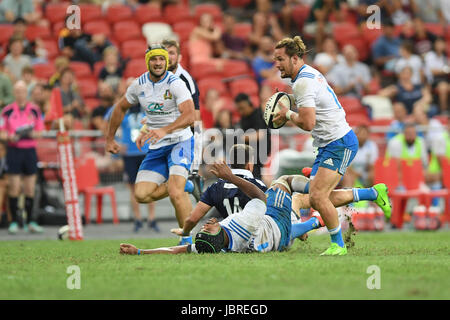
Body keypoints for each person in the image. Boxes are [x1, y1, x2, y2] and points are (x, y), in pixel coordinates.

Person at [271, 36, 391, 255]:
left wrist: (287, 113)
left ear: (295, 58)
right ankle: (374, 193)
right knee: (317, 195)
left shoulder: (303, 82)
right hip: (328, 144)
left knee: (317, 197)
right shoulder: (308, 74)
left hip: (339, 142)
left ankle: (338, 245)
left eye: (280, 59)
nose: (276, 64)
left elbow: (308, 123)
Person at [120, 161, 324, 255]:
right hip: (276, 224)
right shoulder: (241, 223)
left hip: (279, 243)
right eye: (208, 229)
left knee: (295, 215)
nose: (206, 225)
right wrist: (229, 177)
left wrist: (141, 252)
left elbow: (177, 249)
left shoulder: (221, 248)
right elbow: (261, 197)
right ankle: (316, 183)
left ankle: (315, 221)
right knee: (284, 183)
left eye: (203, 229)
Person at [105, 44, 196, 245]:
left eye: (161, 59)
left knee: (174, 192)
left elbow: (190, 116)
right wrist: (110, 138)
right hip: (157, 147)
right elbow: (120, 108)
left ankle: (187, 241)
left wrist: (165, 130)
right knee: (141, 195)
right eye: (154, 59)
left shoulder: (176, 83)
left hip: (180, 141)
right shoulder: (139, 85)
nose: (158, 63)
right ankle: (187, 185)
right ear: (148, 62)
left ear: (166, 61)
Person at [105, 104, 159, 233]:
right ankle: (138, 219)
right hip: (129, 154)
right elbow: (109, 119)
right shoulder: (123, 109)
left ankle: (151, 218)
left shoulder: (148, 105)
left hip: (145, 152)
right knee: (133, 188)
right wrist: (116, 140)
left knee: (150, 186)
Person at [0, 81, 44, 234]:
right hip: (14, 151)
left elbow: (40, 131)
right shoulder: (7, 111)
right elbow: (2, 131)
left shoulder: (35, 110)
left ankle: (31, 221)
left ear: (27, 93)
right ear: (14, 93)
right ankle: (14, 223)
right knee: (14, 186)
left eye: (23, 91)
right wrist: (8, 136)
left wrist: (34, 134)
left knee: (30, 187)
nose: (20, 94)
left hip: (30, 151)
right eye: (17, 91)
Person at [162, 39, 202, 200]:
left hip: (186, 137)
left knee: (178, 184)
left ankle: (194, 186)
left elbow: (195, 118)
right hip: (168, 135)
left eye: (172, 53)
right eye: (165, 53)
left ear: (179, 57)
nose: (168, 57)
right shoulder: (158, 78)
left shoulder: (185, 80)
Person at [234, 93, 269, 180]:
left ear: (249, 104)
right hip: (248, 154)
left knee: (255, 179)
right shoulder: (243, 118)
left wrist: (240, 137)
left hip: (259, 153)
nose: (241, 111)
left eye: (242, 108)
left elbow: (260, 135)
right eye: (239, 109)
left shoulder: (258, 114)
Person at [341, 124, 379, 189]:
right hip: (350, 172)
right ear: (356, 134)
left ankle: (371, 195)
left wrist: (368, 175)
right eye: (360, 134)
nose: (362, 136)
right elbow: (347, 167)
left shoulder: (372, 146)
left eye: (364, 134)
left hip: (364, 173)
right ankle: (348, 195)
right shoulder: (350, 146)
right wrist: (357, 174)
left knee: (373, 175)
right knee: (349, 177)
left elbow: (372, 166)